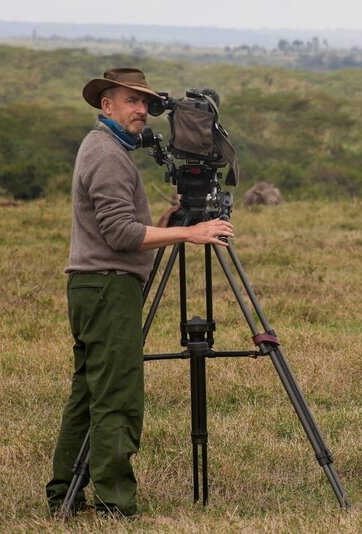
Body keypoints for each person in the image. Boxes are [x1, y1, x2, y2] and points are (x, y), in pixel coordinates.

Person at [45, 67, 234, 518]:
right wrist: (190, 234)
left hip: (95, 286)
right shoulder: (108, 154)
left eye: (146, 103)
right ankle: (115, 506)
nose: (142, 111)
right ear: (105, 105)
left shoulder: (103, 148)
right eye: (131, 101)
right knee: (116, 396)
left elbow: (123, 227)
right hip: (108, 286)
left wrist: (174, 224)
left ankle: (63, 497)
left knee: (89, 392)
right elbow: (118, 233)